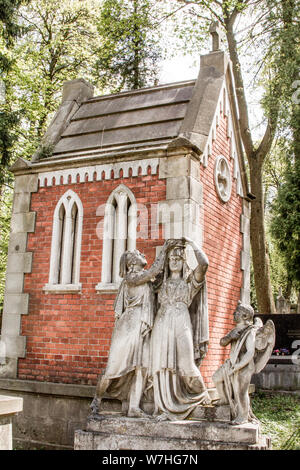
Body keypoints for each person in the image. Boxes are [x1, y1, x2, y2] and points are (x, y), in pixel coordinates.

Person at [90, 240, 178, 418]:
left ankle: (134, 407)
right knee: (114, 367)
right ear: (131, 264)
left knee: (142, 367)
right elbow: (154, 271)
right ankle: (96, 402)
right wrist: (165, 249)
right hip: (129, 324)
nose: (142, 254)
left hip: (142, 324)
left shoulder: (145, 279)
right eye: (137, 254)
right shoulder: (131, 278)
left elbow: (158, 279)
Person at [150, 237, 211, 421]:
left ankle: (203, 397)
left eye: (178, 258)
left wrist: (192, 243)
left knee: (186, 365)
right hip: (161, 324)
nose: (174, 261)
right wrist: (164, 251)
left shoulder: (190, 282)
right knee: (161, 366)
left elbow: (204, 264)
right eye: (171, 258)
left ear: (183, 261)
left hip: (181, 321)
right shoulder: (159, 284)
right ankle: (163, 407)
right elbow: (151, 273)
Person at [212, 301, 275, 425]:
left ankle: (243, 416)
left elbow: (250, 352)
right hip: (232, 362)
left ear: (245, 316)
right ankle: (224, 400)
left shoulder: (251, 331)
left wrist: (237, 366)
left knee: (241, 391)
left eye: (237, 312)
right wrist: (230, 337)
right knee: (216, 378)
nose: (234, 313)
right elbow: (222, 342)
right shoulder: (235, 330)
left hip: (244, 366)